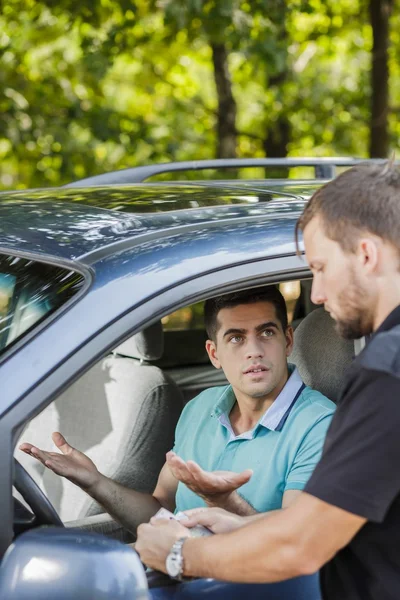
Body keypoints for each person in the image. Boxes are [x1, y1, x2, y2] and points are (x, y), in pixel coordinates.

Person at [135, 161, 400, 600]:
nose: (315, 295)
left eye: (320, 267)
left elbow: (302, 545)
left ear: (367, 255)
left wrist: (180, 556)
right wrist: (240, 524)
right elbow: (332, 519)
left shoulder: (387, 371)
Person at [20, 286, 334, 534]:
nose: (254, 351)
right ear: (214, 354)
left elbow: (294, 544)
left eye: (266, 333)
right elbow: (160, 510)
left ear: (288, 340)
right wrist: (93, 480)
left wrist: (222, 500)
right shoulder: (200, 408)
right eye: (236, 338)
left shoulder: (320, 425)